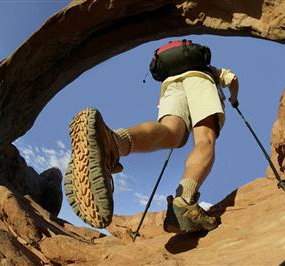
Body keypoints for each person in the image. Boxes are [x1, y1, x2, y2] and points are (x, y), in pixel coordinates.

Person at [64, 44, 239, 233]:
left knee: (170, 132)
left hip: (170, 86)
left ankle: (113, 142)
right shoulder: (210, 70)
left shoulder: (172, 72)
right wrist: (233, 99)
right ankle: (184, 202)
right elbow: (233, 79)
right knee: (205, 139)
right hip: (200, 81)